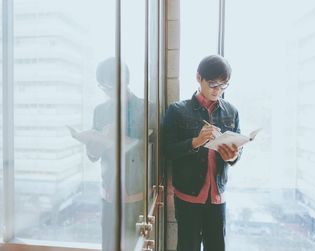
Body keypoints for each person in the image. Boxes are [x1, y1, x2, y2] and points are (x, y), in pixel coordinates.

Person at [163, 55, 241, 251]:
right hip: (188, 195)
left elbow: (238, 150)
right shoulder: (177, 110)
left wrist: (233, 157)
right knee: (187, 247)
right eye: (213, 84)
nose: (218, 90)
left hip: (217, 196)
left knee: (216, 247)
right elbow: (167, 151)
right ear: (199, 77)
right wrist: (196, 142)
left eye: (224, 85)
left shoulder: (232, 111)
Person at [84, 57, 145, 251]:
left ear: (125, 81)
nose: (107, 91)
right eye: (102, 87)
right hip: (109, 195)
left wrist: (123, 139)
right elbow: (93, 156)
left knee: (135, 246)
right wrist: (94, 144)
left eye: (109, 86)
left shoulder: (146, 108)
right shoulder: (100, 111)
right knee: (108, 246)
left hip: (137, 196)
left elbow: (150, 152)